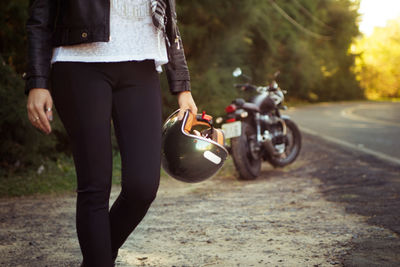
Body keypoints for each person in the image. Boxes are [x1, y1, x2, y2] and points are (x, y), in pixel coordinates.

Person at [25, 0, 197, 266]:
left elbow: (169, 19)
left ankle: (98, 257)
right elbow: (41, 15)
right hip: (78, 62)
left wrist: (182, 86)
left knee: (143, 186)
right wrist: (37, 80)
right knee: (95, 186)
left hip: (142, 64)